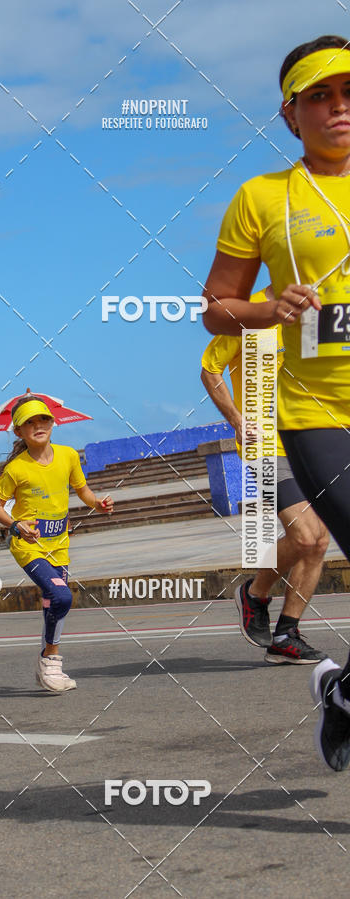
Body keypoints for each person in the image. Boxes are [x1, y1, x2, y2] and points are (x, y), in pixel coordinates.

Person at [203, 36, 350, 769]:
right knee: (314, 537)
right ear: (291, 115)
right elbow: (215, 312)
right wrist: (268, 308)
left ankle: (343, 693)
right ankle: (273, 614)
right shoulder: (264, 197)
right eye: (321, 95)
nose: (339, 107)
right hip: (310, 411)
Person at [201, 287, 329, 663]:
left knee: (317, 542)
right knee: (305, 535)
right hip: (266, 444)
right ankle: (256, 595)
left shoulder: (322, 311)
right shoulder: (248, 312)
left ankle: (284, 634)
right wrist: (238, 421)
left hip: (311, 439)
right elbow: (210, 370)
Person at [0, 395, 113, 692]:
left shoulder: (69, 455)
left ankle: (48, 668)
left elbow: (81, 489)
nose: (38, 425)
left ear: (53, 422)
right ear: (18, 431)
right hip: (28, 546)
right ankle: (50, 659)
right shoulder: (16, 469)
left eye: (43, 419)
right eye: (28, 422)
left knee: (52, 604)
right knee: (62, 597)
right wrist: (16, 525)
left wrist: (97, 503)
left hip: (60, 544)